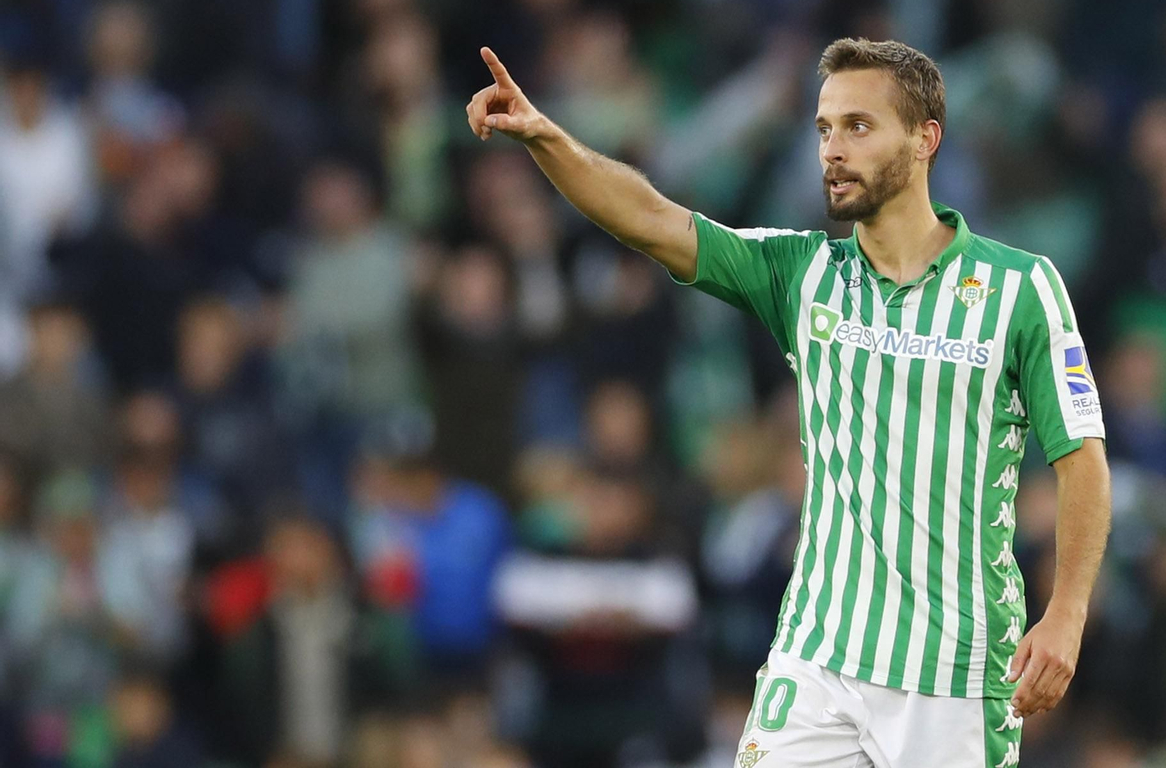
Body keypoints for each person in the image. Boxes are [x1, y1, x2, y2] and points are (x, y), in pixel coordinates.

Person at [464, 37, 1112, 767]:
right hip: (818, 660)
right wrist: (548, 139)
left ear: (926, 139)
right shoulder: (802, 274)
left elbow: (1081, 459)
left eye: (858, 127)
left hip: (954, 675)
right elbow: (647, 217)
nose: (833, 149)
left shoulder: (1020, 289)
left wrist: (1066, 613)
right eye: (824, 128)